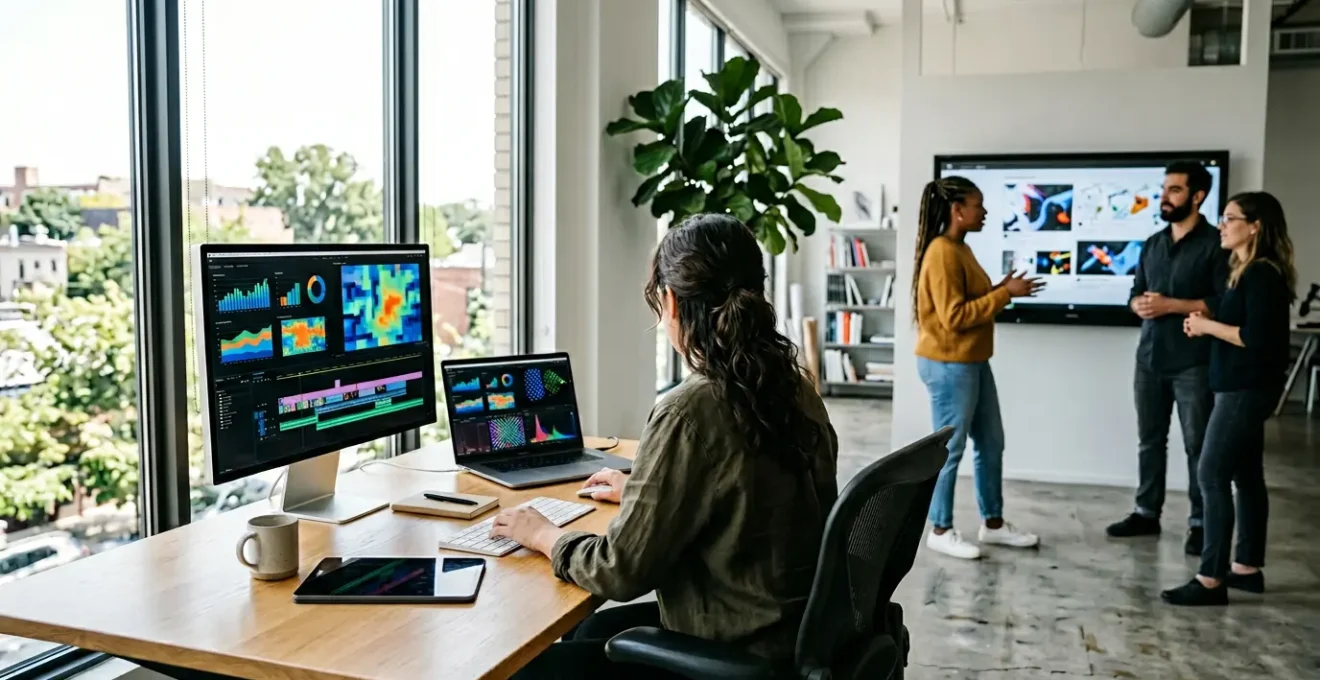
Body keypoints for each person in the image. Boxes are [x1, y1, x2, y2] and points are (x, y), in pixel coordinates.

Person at [490, 213, 839, 677]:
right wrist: (646, 488)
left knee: (525, 667)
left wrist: (540, 534)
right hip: (790, 629)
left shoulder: (688, 410)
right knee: (590, 633)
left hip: (735, 644)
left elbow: (619, 571)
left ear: (671, 303)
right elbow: (746, 486)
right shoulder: (795, 386)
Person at [1161, 192, 1295, 606]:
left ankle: (1210, 578)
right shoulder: (1248, 271)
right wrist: (1208, 322)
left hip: (1244, 390)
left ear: (1254, 226)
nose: (1221, 224)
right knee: (1246, 475)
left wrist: (1207, 327)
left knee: (1211, 474)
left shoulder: (1262, 275)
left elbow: (1255, 339)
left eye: (1230, 218)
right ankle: (1246, 568)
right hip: (1240, 387)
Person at [912, 176, 1044, 560]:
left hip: (970, 360)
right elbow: (954, 317)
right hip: (949, 364)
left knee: (991, 442)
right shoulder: (942, 252)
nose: (984, 212)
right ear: (957, 210)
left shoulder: (959, 249)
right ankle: (940, 528)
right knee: (950, 449)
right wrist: (1005, 294)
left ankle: (994, 524)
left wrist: (1000, 288)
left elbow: (967, 301)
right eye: (978, 204)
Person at [1106, 162, 1229, 556]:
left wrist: (1171, 305)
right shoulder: (1153, 243)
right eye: (1164, 189)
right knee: (1150, 440)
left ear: (1197, 196)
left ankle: (1199, 522)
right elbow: (1137, 291)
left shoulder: (1216, 245)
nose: (1164, 197)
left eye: (1174, 190)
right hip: (1149, 358)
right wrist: (1138, 304)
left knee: (1198, 444)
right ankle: (1146, 511)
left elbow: (1223, 303)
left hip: (1193, 360)